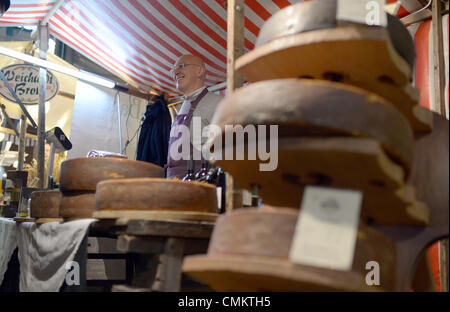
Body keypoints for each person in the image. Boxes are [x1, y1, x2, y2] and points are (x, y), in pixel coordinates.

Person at [166, 55, 222, 179]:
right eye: (174, 69)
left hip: (199, 187)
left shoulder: (218, 104)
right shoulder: (182, 106)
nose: (176, 72)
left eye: (181, 66)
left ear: (199, 71)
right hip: (173, 186)